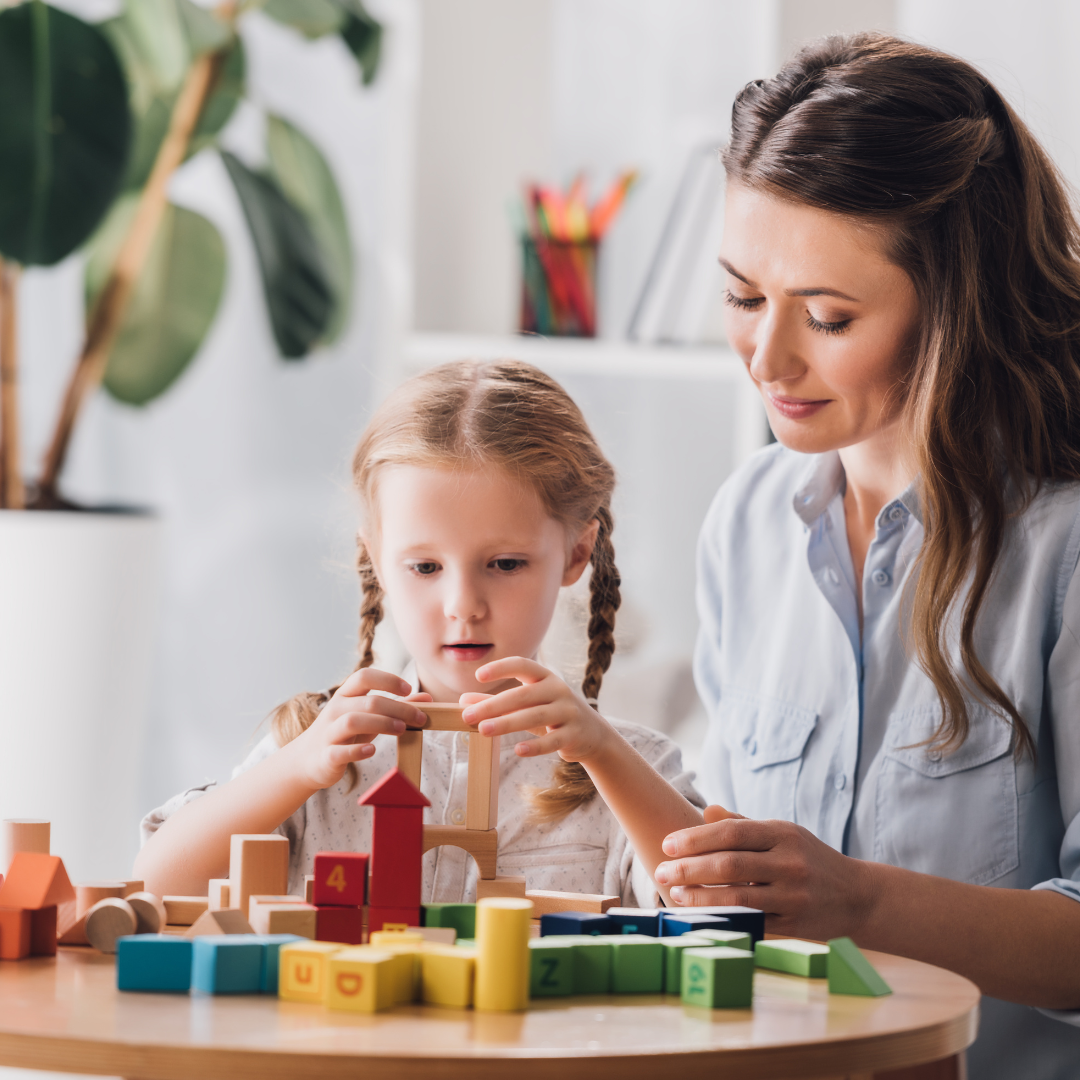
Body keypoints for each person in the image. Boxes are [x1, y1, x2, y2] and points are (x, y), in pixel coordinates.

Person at [468, 31, 1080, 1080]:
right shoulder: (751, 519)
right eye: (745, 298)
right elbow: (729, 864)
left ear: (955, 309)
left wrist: (861, 900)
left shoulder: (1059, 545)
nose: (767, 356)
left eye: (829, 317)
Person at [133, 359, 702, 906]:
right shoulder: (317, 749)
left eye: (505, 564)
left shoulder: (630, 766)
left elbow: (712, 904)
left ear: (577, 552)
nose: (463, 606)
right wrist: (299, 767)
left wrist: (602, 751)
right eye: (425, 568)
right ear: (376, 559)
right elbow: (157, 884)